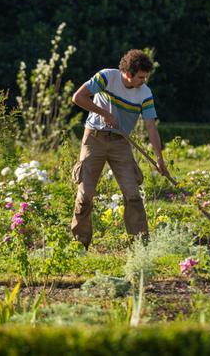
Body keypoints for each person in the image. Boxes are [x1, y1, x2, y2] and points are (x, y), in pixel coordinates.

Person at [70, 49, 168, 250]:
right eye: (140, 77)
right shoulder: (106, 76)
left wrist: (160, 158)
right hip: (94, 139)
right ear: (128, 73)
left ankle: (140, 246)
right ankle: (79, 246)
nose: (143, 81)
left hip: (121, 143)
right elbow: (78, 98)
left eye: (145, 77)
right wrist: (103, 113)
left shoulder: (145, 93)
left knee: (133, 194)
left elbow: (151, 126)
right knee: (85, 195)